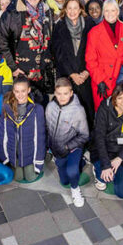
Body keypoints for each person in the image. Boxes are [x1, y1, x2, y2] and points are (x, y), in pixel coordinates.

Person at [0, 0, 54, 98]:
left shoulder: (48, 12)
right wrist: (13, 67)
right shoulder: (12, 13)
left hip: (43, 71)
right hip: (21, 72)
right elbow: (1, 42)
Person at [45, 78, 90, 207]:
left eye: (65, 93)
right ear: (55, 93)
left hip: (72, 148)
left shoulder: (78, 110)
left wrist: (67, 146)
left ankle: (75, 190)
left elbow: (84, 135)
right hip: (57, 150)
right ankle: (82, 162)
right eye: (59, 93)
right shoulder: (50, 107)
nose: (62, 97)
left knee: (72, 173)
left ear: (71, 93)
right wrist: (49, 147)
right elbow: (48, 128)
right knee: (64, 180)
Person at [85, 0, 123, 109]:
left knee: (122, 111)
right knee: (104, 114)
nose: (110, 14)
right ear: (103, 12)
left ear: (117, 12)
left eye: (113, 10)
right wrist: (100, 80)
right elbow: (90, 60)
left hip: (121, 78)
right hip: (103, 80)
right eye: (106, 10)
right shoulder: (94, 32)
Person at [50, 0, 92, 117]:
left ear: (80, 10)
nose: (72, 11)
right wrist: (72, 74)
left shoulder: (89, 25)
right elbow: (58, 54)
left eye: (75, 8)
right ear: (65, 10)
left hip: (85, 75)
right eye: (69, 8)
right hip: (67, 75)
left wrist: (87, 71)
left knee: (86, 111)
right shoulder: (59, 27)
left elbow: (95, 50)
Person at [0, 76, 46, 183]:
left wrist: (38, 160)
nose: (20, 95)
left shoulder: (37, 109)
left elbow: (40, 136)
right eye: (17, 91)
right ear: (13, 91)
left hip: (29, 150)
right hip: (15, 152)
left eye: (23, 91)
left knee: (30, 177)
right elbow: (2, 133)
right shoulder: (7, 107)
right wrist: (4, 155)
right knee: (18, 178)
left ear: (29, 90)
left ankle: (40, 161)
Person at [92, 87, 123, 197]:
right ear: (114, 99)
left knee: (122, 193)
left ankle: (115, 171)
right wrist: (106, 165)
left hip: (121, 149)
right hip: (105, 148)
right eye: (120, 98)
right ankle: (97, 169)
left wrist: (120, 157)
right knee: (107, 177)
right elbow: (99, 138)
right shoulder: (104, 109)